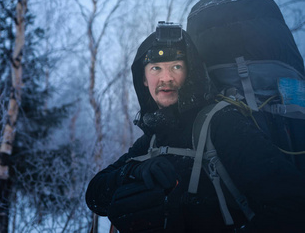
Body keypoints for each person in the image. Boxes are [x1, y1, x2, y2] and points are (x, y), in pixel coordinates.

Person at [85, 22, 305, 232]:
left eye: (176, 67)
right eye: (155, 68)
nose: (166, 78)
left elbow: (293, 207)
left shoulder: (222, 123)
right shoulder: (152, 139)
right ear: (143, 79)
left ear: (190, 73)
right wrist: (133, 171)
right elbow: (94, 197)